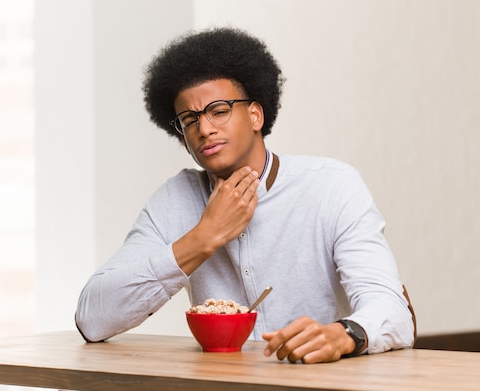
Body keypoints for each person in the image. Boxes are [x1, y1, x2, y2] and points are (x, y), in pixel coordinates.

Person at [75, 27, 415, 363]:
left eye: (219, 110)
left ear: (255, 115)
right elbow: (92, 318)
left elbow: (393, 311)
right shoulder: (175, 200)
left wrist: (342, 335)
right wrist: (203, 238)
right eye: (189, 120)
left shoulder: (331, 186)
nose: (204, 129)